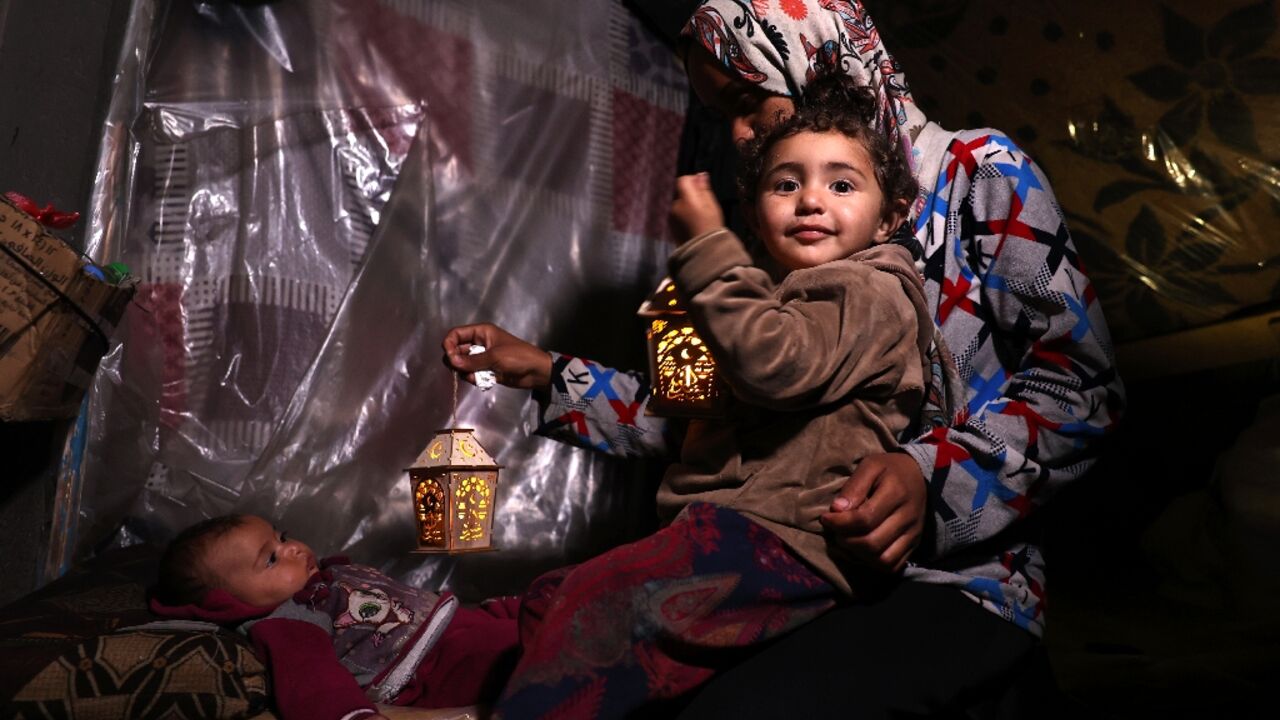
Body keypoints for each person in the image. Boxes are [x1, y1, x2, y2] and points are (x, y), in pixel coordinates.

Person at [447, 1, 1125, 716]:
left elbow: (1082, 388)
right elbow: (712, 413)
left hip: (960, 579)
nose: (739, 134)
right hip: (792, 563)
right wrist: (541, 372)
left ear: (817, 58)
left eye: (747, 100)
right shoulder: (782, 239)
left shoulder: (982, 176)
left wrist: (930, 479)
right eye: (723, 116)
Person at [444, 73, 929, 718]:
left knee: (599, 608)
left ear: (891, 216)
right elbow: (687, 409)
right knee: (551, 599)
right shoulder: (764, 299)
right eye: (786, 185)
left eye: (841, 184)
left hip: (783, 539)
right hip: (718, 528)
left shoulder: (869, 291)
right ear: (756, 209)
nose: (811, 200)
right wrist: (539, 369)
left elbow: (774, 364)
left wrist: (705, 249)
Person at [149, 514, 520, 720]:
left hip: (465, 627)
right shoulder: (291, 621)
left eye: (281, 536)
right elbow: (313, 684)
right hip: (439, 670)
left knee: (549, 604)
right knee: (531, 649)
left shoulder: (327, 581)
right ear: (230, 604)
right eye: (272, 558)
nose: (292, 547)